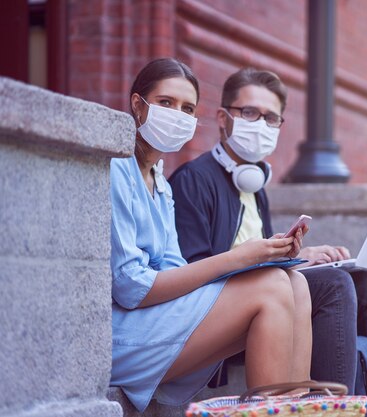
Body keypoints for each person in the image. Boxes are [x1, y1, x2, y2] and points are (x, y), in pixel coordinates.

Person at [169, 67, 367, 417]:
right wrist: (274, 262)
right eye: (249, 112)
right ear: (223, 118)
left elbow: (262, 260)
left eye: (271, 117)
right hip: (229, 313)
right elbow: (195, 272)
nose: (260, 124)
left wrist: (299, 257)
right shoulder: (194, 180)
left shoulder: (253, 185)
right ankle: (333, 411)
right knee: (334, 286)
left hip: (273, 292)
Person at [109, 59, 311, 412]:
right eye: (166, 103)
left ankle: (296, 408)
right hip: (124, 336)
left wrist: (261, 256)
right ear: (137, 105)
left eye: (187, 108)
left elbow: (174, 270)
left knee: (295, 282)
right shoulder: (116, 169)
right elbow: (129, 287)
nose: (177, 114)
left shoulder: (160, 183)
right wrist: (238, 259)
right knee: (273, 286)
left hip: (158, 318)